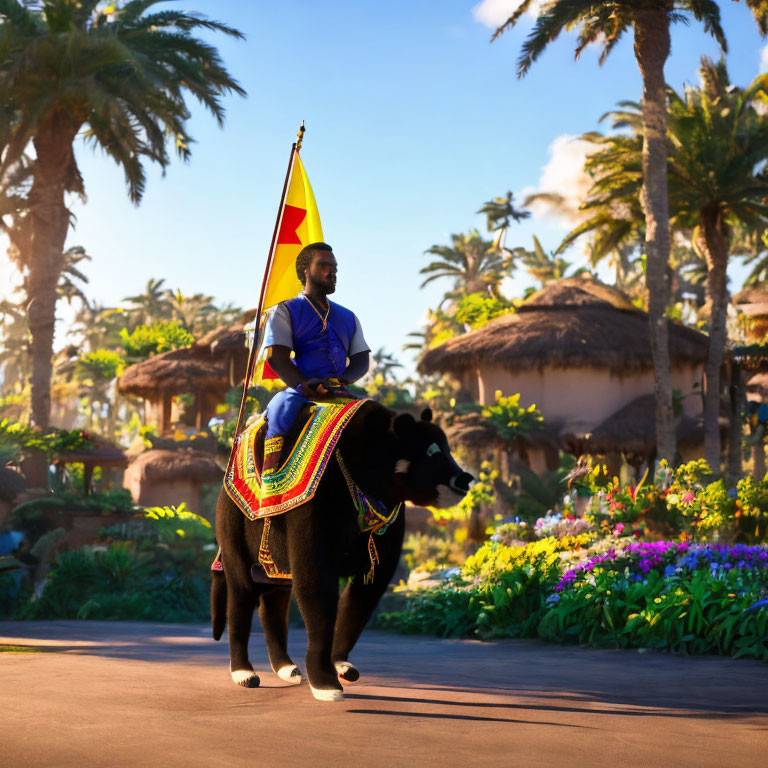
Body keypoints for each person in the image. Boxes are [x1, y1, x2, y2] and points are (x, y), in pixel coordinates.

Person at [261, 242, 370, 473]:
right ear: (305, 271)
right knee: (281, 409)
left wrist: (342, 381)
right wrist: (306, 386)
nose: (332, 272)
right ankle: (271, 482)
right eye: (323, 265)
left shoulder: (349, 317)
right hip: (300, 391)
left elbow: (361, 360)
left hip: (339, 390)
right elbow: (276, 358)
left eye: (335, 267)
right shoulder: (285, 310)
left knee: (375, 418)